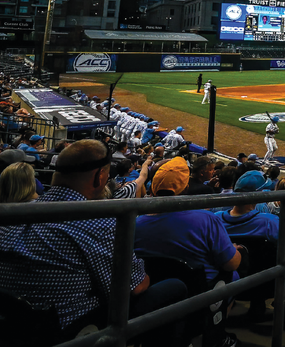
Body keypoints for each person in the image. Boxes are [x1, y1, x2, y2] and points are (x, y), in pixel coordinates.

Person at [0, 140, 187, 339]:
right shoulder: (97, 222)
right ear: (99, 177)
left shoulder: (14, 213)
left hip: (14, 328)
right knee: (175, 286)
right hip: (69, 330)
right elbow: (136, 287)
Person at [135, 157, 243, 284]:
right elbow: (231, 264)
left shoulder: (135, 224)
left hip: (157, 291)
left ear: (153, 188)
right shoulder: (207, 219)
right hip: (200, 294)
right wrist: (235, 250)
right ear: (186, 188)